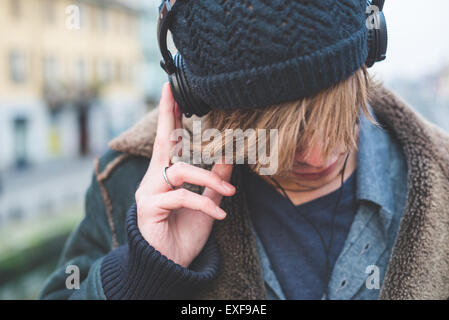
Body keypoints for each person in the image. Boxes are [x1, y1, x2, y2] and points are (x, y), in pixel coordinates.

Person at [40, 0, 449, 300]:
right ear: (204, 105)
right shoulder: (128, 180)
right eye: (276, 134)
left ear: (368, 52)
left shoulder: (440, 174)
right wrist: (139, 275)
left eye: (331, 114)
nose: (318, 154)